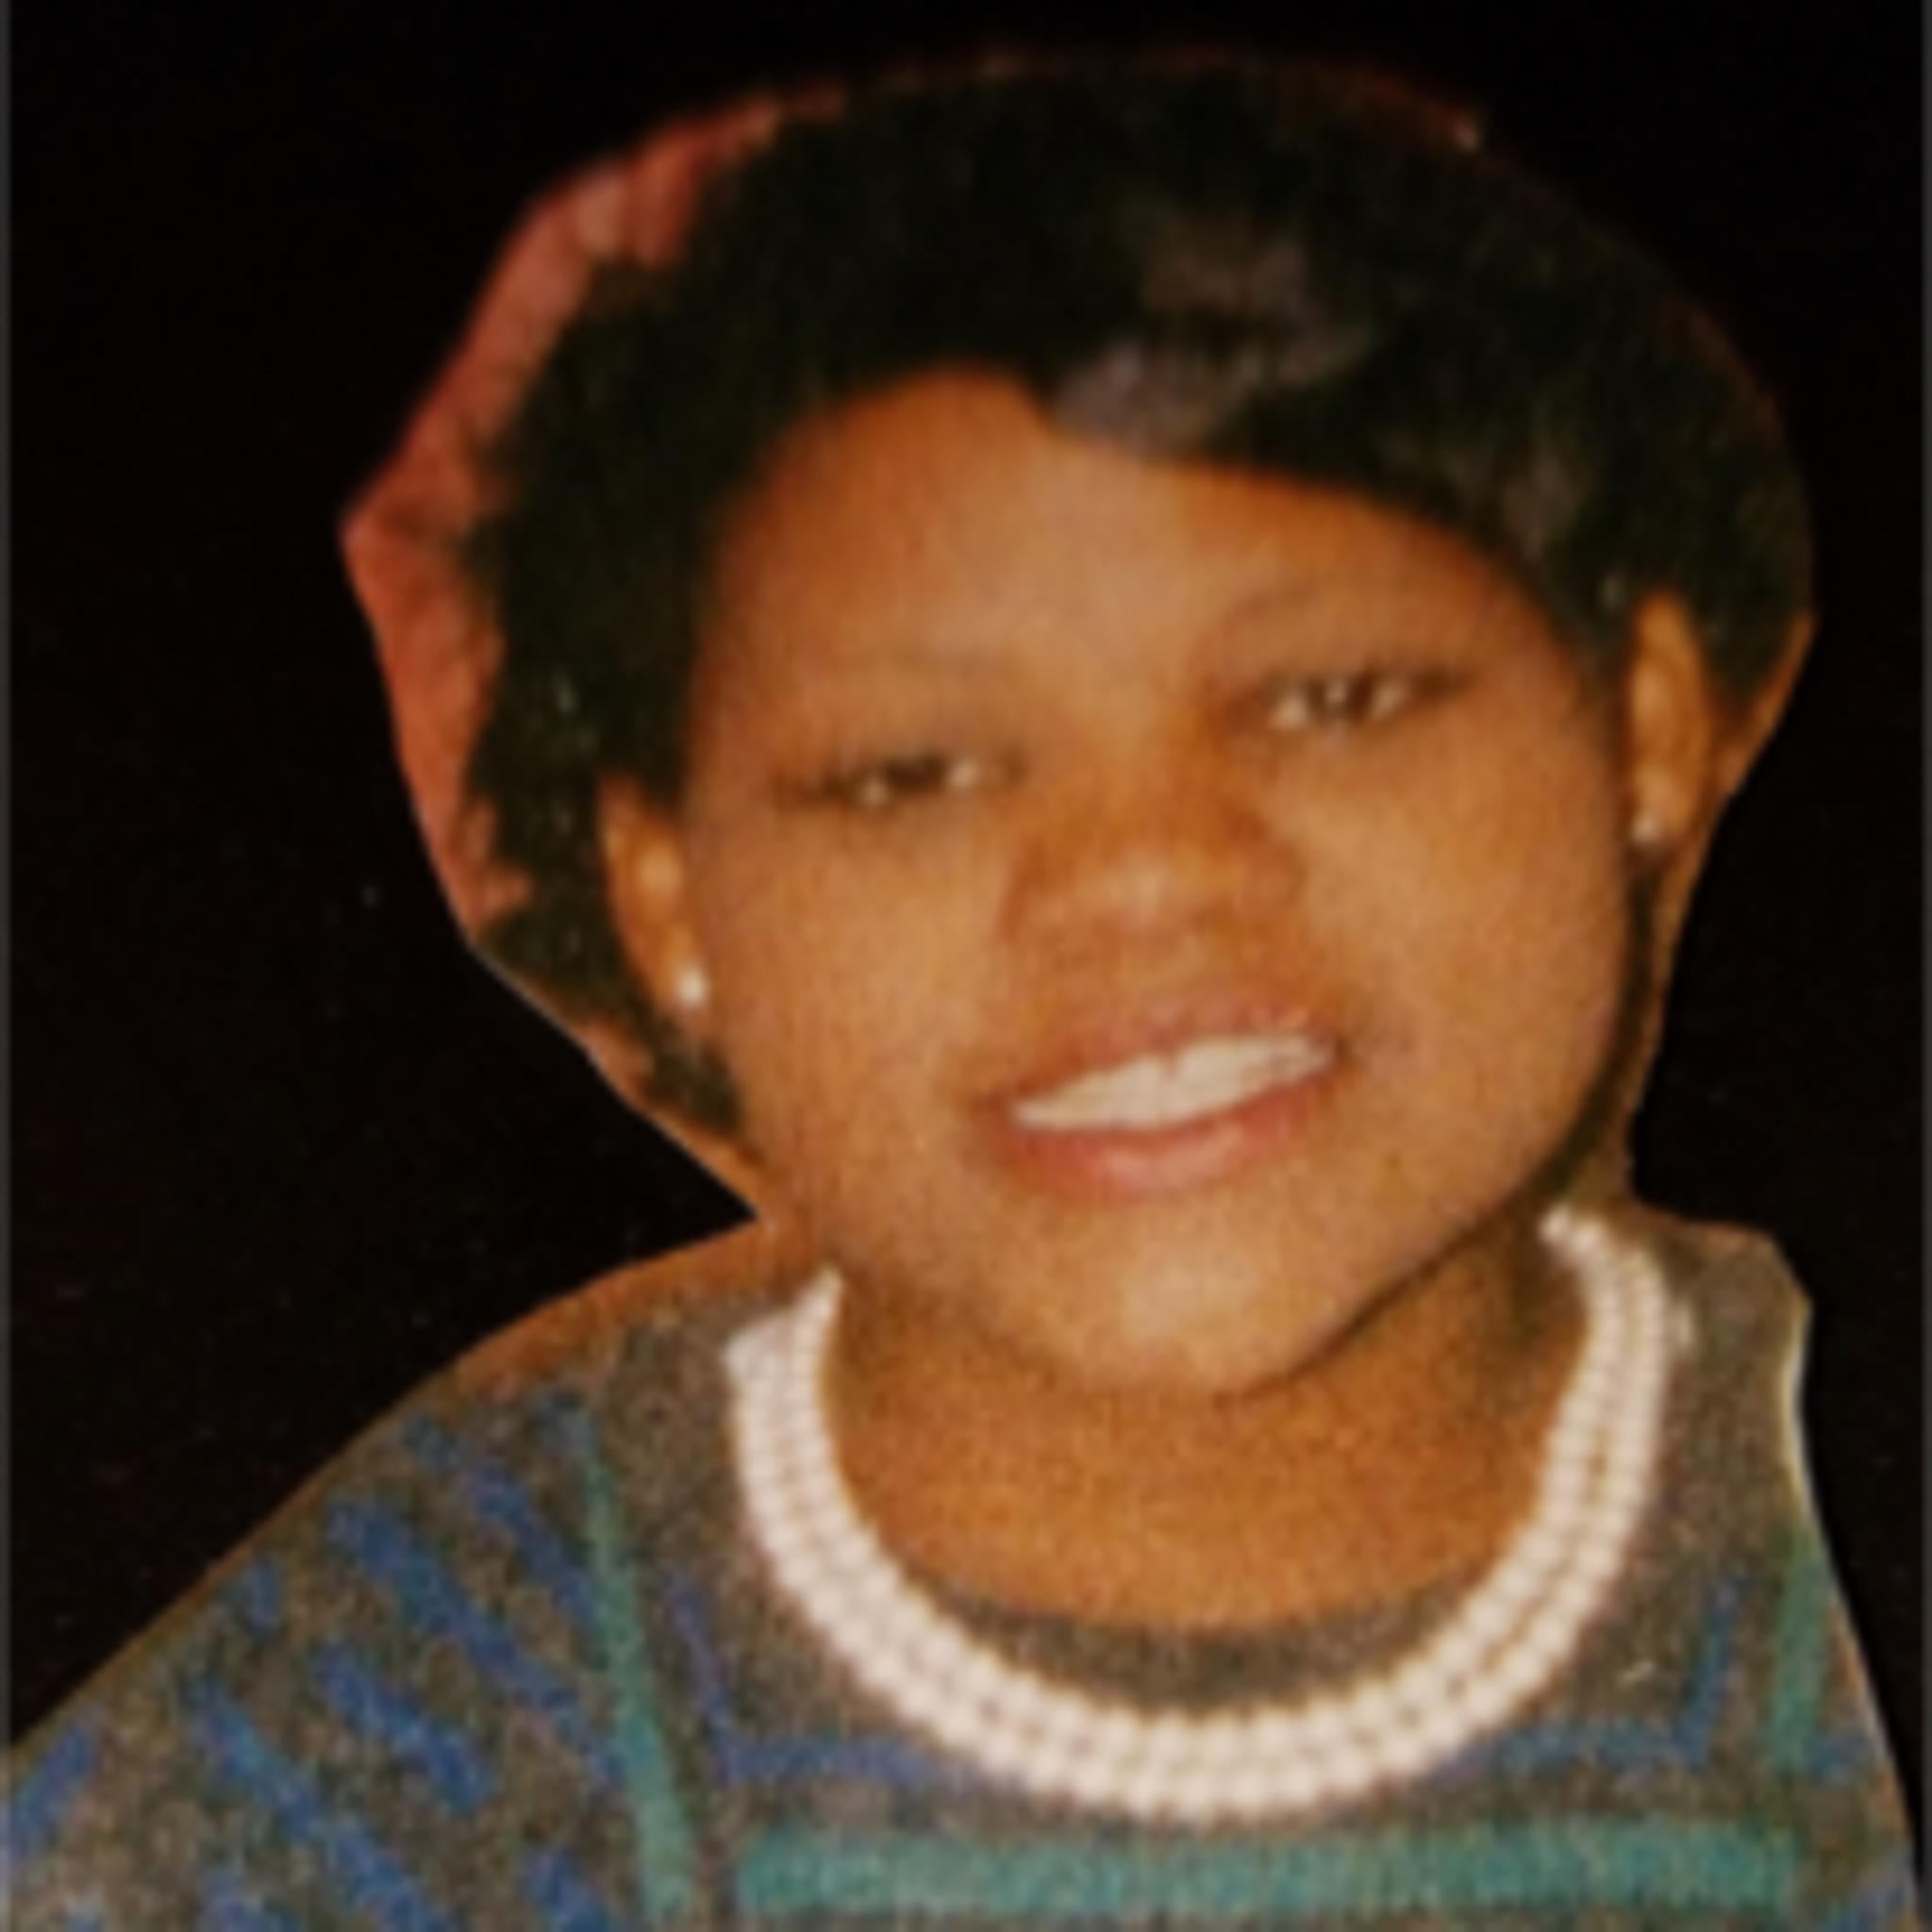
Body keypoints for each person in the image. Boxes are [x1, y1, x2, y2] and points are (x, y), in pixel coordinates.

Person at [2, 56, 1919, 1928]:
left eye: (1329, 696)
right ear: (667, 901)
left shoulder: (1822, 1482)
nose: (1142, 879)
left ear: (1644, 725)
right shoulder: (450, 1675)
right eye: (909, 774)